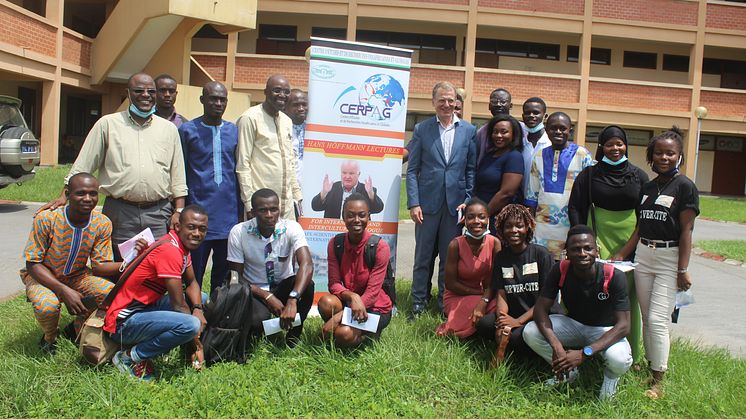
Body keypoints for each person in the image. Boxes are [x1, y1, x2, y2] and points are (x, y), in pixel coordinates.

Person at [37, 73, 187, 260]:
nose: (146, 95)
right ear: (129, 93)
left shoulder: (169, 129)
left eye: (151, 91)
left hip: (158, 212)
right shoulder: (107, 124)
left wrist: (179, 211)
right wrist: (64, 195)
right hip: (120, 211)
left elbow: (178, 174)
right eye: (139, 91)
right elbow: (84, 164)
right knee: (118, 264)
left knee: (157, 267)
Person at [612, 127, 698, 399]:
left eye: (670, 153)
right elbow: (640, 227)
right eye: (659, 153)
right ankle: (650, 366)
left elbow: (686, 231)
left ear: (680, 156)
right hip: (644, 256)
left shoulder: (685, 187)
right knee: (647, 319)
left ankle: (658, 379)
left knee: (658, 320)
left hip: (669, 258)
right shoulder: (649, 187)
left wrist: (682, 269)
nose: (664, 157)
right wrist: (623, 253)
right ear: (651, 156)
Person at [523, 225, 632, 400]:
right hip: (574, 325)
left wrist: (584, 353)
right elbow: (540, 310)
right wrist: (557, 347)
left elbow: (624, 326)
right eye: (575, 249)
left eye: (587, 248)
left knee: (619, 359)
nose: (582, 253)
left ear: (597, 251)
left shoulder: (613, 276)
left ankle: (611, 377)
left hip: (604, 329)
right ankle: (568, 371)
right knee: (530, 332)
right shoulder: (560, 270)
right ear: (567, 253)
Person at [21, 173, 125, 354]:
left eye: (93, 194)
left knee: (108, 293)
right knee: (47, 306)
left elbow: (100, 264)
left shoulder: (102, 223)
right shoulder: (47, 219)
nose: (88, 199)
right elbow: (33, 263)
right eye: (81, 193)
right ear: (67, 193)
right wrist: (63, 290)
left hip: (77, 276)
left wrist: (129, 263)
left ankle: (78, 327)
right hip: (42, 276)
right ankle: (50, 339)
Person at [105, 205, 210, 381]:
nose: (197, 233)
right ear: (178, 227)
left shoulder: (180, 246)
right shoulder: (170, 251)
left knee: (201, 299)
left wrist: (198, 308)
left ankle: (158, 347)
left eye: (202, 229)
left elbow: (191, 282)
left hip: (145, 308)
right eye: (191, 227)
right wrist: (197, 344)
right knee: (190, 324)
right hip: (123, 322)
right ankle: (129, 357)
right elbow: (178, 306)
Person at [406, 81, 477, 317]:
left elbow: (470, 170)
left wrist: (467, 199)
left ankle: (444, 302)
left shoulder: (468, 130)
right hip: (426, 206)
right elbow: (413, 169)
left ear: (456, 102)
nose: (447, 105)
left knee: (449, 259)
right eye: (442, 100)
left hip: (455, 206)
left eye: (451, 100)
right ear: (433, 102)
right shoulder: (421, 129)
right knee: (423, 256)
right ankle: (418, 302)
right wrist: (414, 203)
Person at [226, 188, 314, 347]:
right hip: (255, 290)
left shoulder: (291, 228)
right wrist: (267, 296)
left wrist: (293, 298)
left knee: (307, 285)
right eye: (263, 210)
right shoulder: (238, 232)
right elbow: (235, 277)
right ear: (252, 212)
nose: (269, 215)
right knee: (257, 324)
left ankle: (294, 334)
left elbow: (306, 265)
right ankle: (266, 328)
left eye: (273, 209)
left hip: (283, 286)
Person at [179, 81, 242, 292]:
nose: (218, 103)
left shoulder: (234, 131)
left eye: (222, 99)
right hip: (197, 215)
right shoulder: (187, 131)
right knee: (192, 272)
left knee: (223, 277)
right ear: (202, 100)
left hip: (229, 215)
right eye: (213, 98)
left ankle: (218, 318)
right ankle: (193, 317)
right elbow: (180, 171)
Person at [474, 204, 553, 356]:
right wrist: (503, 321)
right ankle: (511, 342)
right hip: (513, 313)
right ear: (502, 230)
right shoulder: (502, 257)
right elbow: (501, 293)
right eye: (508, 226)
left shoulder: (541, 254)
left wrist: (518, 322)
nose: (514, 230)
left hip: (539, 314)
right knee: (484, 324)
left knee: (517, 338)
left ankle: (529, 354)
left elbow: (546, 299)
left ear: (528, 228)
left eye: (519, 226)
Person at [319, 193, 393, 347]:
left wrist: (338, 317)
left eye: (362, 215)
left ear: (369, 217)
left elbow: (372, 294)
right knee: (326, 302)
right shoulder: (335, 243)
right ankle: (350, 329)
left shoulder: (380, 247)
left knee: (344, 334)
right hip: (350, 303)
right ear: (343, 217)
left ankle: (366, 336)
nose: (356, 220)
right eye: (351, 215)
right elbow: (333, 284)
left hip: (376, 307)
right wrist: (352, 296)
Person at [569, 125, 649, 258]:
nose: (615, 148)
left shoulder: (640, 176)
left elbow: (644, 213)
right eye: (609, 144)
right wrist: (581, 236)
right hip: (596, 235)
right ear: (601, 147)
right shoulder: (589, 174)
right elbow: (574, 207)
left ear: (626, 146)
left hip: (631, 238)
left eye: (619, 144)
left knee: (626, 276)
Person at [525, 112, 593, 260]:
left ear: (570, 130)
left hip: (571, 228)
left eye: (562, 128)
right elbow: (532, 196)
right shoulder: (539, 156)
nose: (558, 132)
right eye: (553, 128)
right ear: (546, 129)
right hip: (542, 231)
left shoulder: (583, 155)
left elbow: (589, 194)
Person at [236, 75, 302, 221]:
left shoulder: (287, 121)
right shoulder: (250, 118)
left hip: (287, 205)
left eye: (286, 92)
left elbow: (290, 162)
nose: (282, 95)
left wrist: (297, 196)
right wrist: (248, 204)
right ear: (265, 92)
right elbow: (243, 164)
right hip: (262, 207)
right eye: (277, 90)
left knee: (287, 243)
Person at [435, 199, 500, 338]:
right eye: (471, 217)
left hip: (485, 295)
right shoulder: (455, 245)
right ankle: (459, 329)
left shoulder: (495, 243)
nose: (476, 221)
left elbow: (496, 279)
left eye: (481, 217)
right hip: (458, 295)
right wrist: (479, 295)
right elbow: (450, 284)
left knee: (500, 305)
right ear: (464, 220)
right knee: (485, 307)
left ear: (488, 219)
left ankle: (473, 328)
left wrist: (484, 298)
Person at [473, 114, 524, 233]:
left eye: (504, 132)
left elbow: (506, 193)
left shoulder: (514, 157)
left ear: (513, 135)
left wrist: (483, 216)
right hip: (480, 215)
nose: (498, 135)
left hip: (496, 218)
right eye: (495, 132)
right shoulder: (489, 155)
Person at [311, 160, 384, 219]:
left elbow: (378, 208)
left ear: (358, 174)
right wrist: (324, 192)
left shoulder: (366, 190)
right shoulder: (331, 188)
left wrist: (371, 194)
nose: (347, 176)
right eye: (344, 173)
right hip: (333, 232)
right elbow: (315, 207)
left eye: (351, 173)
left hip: (357, 232)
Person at [519, 97, 551, 201]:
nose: (531, 116)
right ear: (523, 116)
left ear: (545, 116)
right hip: (521, 202)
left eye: (536, 113)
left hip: (543, 205)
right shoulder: (519, 144)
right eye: (527, 113)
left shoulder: (550, 144)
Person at [476, 88, 512, 164]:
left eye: (503, 102)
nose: (498, 105)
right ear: (489, 106)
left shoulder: (521, 129)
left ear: (511, 106)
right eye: (494, 102)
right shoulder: (481, 132)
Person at [285, 89, 308, 184]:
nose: (301, 108)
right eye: (296, 105)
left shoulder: (314, 131)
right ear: (285, 107)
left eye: (304, 104)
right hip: (287, 186)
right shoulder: (280, 129)